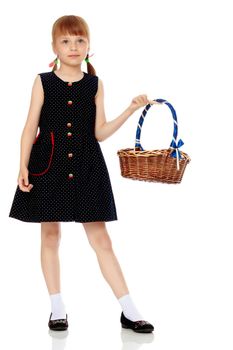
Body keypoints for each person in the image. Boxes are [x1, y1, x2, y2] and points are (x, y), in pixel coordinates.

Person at [9, 15, 159, 333]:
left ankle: (130, 311)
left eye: (79, 41)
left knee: (101, 239)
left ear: (89, 46)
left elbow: (100, 132)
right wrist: (22, 165)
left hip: (87, 167)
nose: (73, 47)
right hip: (47, 165)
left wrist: (130, 110)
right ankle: (57, 308)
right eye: (65, 41)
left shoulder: (95, 84)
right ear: (54, 47)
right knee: (50, 236)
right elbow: (29, 126)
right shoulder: (42, 81)